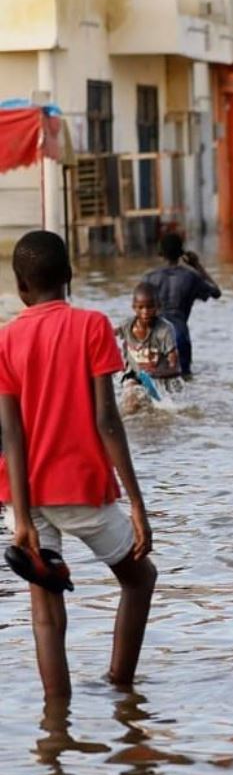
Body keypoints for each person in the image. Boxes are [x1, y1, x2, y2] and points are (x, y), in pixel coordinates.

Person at [0, 230, 158, 700]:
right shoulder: (91, 325)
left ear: (20, 287)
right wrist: (136, 501)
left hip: (24, 496)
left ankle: (56, 723)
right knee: (140, 577)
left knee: (45, 611)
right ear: (70, 276)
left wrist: (23, 517)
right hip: (80, 487)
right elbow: (107, 420)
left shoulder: (5, 338)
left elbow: (11, 434)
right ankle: (121, 688)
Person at [142, 232, 220, 376]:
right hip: (180, 334)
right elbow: (216, 292)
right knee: (184, 380)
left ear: (160, 253)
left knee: (156, 380)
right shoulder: (191, 277)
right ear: (180, 253)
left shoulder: (149, 279)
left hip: (156, 336)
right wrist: (197, 265)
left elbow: (139, 314)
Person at [114, 283, 181, 412]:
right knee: (130, 404)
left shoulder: (165, 330)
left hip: (158, 378)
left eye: (150, 307)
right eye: (141, 307)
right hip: (133, 374)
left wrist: (156, 373)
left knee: (159, 412)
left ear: (158, 307)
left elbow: (176, 368)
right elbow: (105, 335)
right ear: (134, 307)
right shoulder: (127, 325)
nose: (145, 312)